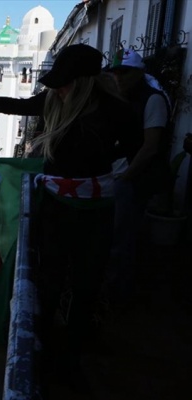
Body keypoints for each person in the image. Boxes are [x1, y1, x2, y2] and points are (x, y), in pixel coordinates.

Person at [0, 44, 141, 394]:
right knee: (51, 277)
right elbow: (16, 106)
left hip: (95, 208)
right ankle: (46, 350)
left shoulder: (116, 111)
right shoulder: (55, 102)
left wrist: (101, 171)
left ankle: (70, 358)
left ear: (85, 82)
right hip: (56, 206)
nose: (58, 88)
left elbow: (135, 146)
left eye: (65, 83)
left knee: (87, 283)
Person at [108, 48, 172, 306]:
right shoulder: (124, 99)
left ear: (138, 74)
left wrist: (126, 177)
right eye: (116, 73)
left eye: (124, 73)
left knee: (123, 237)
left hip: (137, 179)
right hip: (123, 176)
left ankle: (120, 294)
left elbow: (151, 146)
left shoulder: (152, 100)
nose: (118, 78)